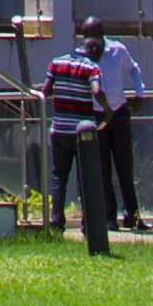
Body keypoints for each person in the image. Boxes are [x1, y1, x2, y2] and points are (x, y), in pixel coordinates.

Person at [42, 28, 115, 251]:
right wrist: (107, 110)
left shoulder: (57, 62)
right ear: (93, 49)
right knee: (86, 179)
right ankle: (88, 225)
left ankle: (56, 221)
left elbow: (46, 90)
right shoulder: (91, 67)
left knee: (58, 176)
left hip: (59, 129)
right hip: (82, 132)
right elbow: (97, 90)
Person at [90, 23, 153, 231]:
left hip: (117, 113)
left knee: (125, 166)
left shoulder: (117, 50)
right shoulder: (82, 54)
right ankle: (109, 217)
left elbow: (133, 69)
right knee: (102, 167)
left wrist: (139, 93)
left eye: (94, 38)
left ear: (101, 36)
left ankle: (132, 216)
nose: (91, 43)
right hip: (97, 115)